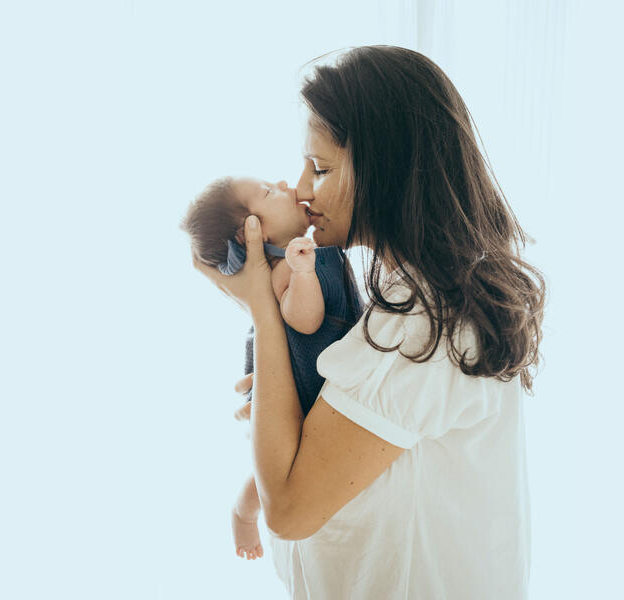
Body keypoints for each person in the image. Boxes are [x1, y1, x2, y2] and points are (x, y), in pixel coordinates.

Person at [193, 45, 546, 599]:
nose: (303, 189)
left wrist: (262, 309)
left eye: (323, 168)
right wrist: (278, 394)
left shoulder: (421, 324)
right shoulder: (415, 294)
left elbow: (286, 511)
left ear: (390, 168)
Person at [180, 175, 363, 561]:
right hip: (300, 391)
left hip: (304, 389)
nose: (283, 184)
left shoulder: (299, 256)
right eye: (268, 191)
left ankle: (246, 509)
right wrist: (302, 275)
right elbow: (307, 319)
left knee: (283, 465)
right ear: (253, 234)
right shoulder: (285, 271)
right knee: (275, 473)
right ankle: (243, 513)